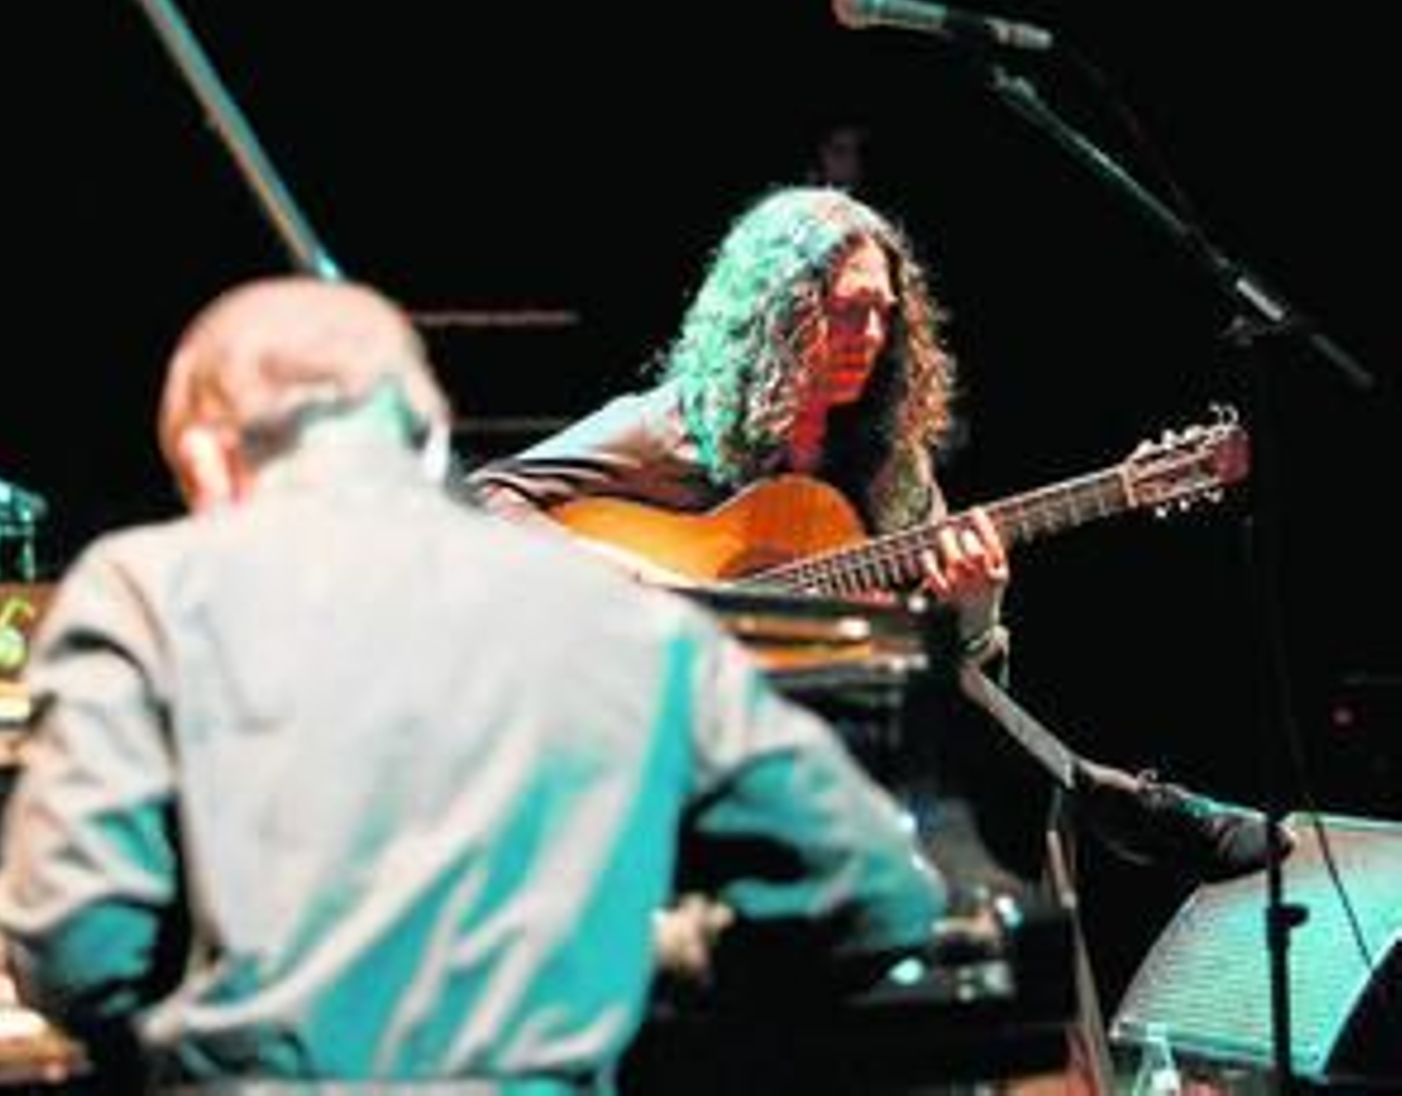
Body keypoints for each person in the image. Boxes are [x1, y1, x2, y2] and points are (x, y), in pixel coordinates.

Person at [0, 276, 949, 1091]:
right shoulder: (627, 620)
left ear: (205, 457)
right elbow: (878, 893)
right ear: (434, 441)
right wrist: (644, 963)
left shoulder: (143, 589)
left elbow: (76, 957)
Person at [468, 183, 1296, 887]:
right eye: (844, 312)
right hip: (660, 728)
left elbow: (953, 676)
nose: (869, 337)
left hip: (820, 743)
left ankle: (1087, 838)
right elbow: (482, 499)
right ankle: (1117, 801)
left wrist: (975, 611)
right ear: (775, 316)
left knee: (944, 698)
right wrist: (634, 583)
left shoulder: (891, 472)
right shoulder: (669, 429)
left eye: (882, 316)